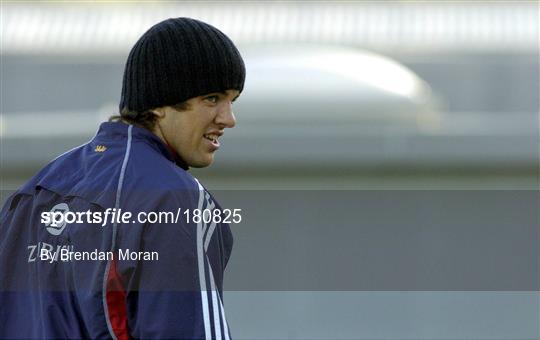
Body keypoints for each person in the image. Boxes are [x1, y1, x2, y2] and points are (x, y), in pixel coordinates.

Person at [0, 17, 245, 339]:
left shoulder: (36, 190)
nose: (229, 118)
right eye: (212, 99)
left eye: (232, 100)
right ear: (159, 105)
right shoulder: (174, 197)